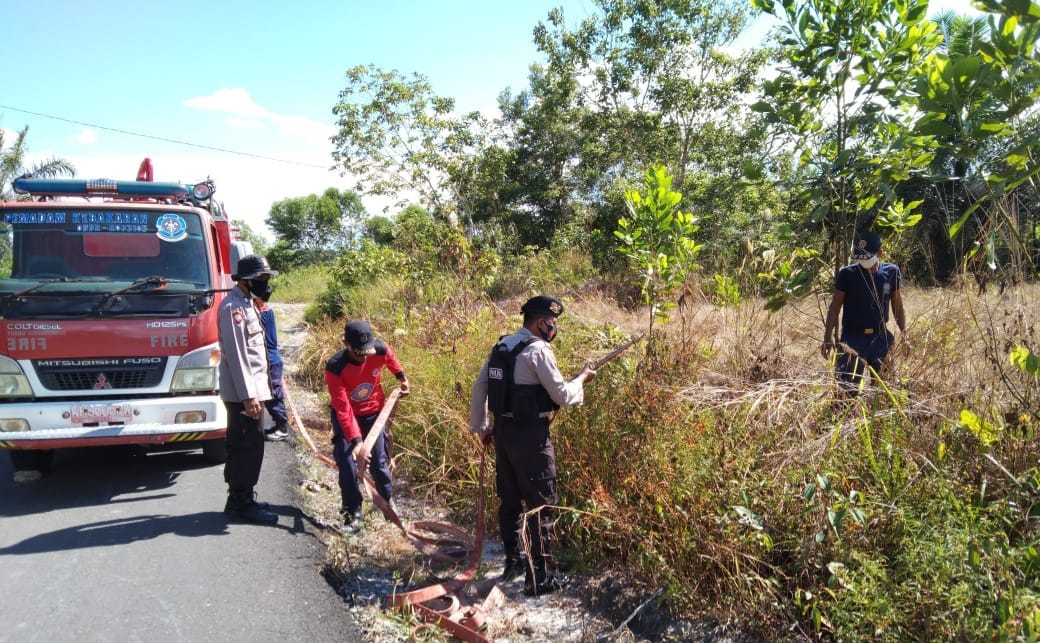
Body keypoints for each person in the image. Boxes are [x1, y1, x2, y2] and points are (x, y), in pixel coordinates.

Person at [469, 295, 596, 597]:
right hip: (531, 438)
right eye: (552, 323)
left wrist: (483, 428)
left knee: (510, 501)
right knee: (541, 504)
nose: (553, 328)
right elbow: (563, 395)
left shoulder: (501, 346)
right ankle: (538, 578)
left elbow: (480, 387)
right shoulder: (538, 350)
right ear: (541, 322)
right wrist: (582, 379)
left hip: (503, 433)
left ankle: (513, 563)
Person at [324, 320, 410, 532]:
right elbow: (343, 409)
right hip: (347, 417)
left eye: (367, 351)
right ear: (346, 343)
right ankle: (352, 513)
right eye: (358, 352)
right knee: (347, 465)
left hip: (374, 414)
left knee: (379, 464)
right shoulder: (335, 367)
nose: (364, 356)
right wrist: (356, 441)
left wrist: (401, 377)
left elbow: (390, 359)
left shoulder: (378, 349)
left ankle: (388, 507)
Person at [217, 254, 279, 524]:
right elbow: (237, 354)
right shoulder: (233, 308)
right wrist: (248, 396)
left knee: (250, 446)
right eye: (261, 279)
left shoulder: (246, 303)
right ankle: (241, 502)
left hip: (252, 391)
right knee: (246, 448)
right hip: (245, 395)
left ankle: (240, 498)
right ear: (246, 280)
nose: (265, 284)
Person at [821, 230, 908, 394]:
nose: (864, 262)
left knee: (884, 391)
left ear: (880, 253)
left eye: (868, 257)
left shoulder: (891, 273)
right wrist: (827, 338)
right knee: (846, 392)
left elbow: (898, 307)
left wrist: (905, 334)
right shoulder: (847, 274)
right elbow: (834, 308)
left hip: (881, 338)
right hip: (852, 340)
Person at [254, 290, 291, 442]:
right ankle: (278, 425)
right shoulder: (266, 311)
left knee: (273, 395)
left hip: (270, 360)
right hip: (270, 358)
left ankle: (282, 427)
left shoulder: (262, 313)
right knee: (271, 393)